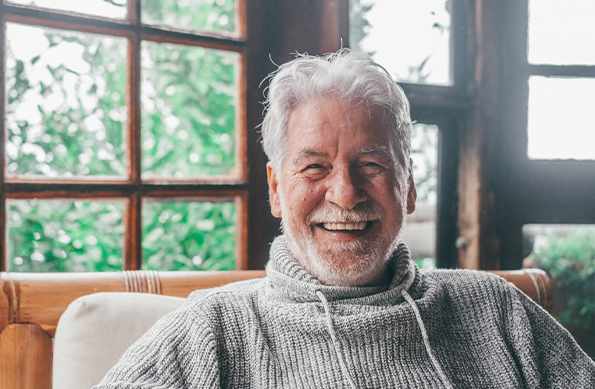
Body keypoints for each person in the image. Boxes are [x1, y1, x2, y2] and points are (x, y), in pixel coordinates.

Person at [94, 49, 595, 388]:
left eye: (372, 166)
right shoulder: (212, 330)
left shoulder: (500, 312)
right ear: (275, 188)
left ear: (410, 185)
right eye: (315, 167)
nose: (345, 193)